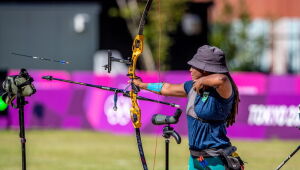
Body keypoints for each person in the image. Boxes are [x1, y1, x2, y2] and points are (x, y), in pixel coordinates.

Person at [133, 45, 244, 170]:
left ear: (205, 69)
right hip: (196, 159)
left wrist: (202, 81)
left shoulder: (223, 91)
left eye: (194, 66)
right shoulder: (191, 87)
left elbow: (221, 79)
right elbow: (167, 88)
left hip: (217, 160)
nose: (190, 69)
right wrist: (141, 85)